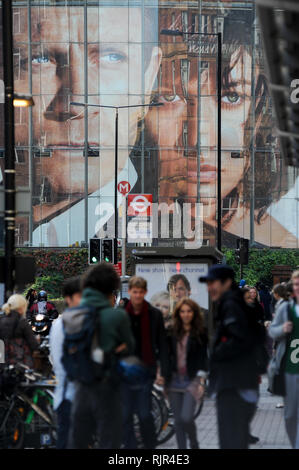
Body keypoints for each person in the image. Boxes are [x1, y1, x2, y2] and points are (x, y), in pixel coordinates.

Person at [11, 4, 161, 246]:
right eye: (40, 58)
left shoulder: (166, 217)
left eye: (111, 57)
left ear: (149, 76)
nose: (76, 104)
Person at [68, 263, 135, 449]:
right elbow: (130, 348)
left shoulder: (72, 315)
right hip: (108, 388)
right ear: (111, 289)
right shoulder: (117, 317)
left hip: (81, 388)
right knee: (109, 441)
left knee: (78, 442)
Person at [200, 265, 264, 449]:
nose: (209, 287)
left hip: (232, 382)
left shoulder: (231, 305)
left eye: (214, 283)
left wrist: (216, 355)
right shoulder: (238, 303)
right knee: (237, 438)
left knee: (231, 438)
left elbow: (239, 339)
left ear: (227, 283)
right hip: (241, 380)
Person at [123, 276, 169, 449]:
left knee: (144, 414)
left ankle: (150, 446)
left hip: (145, 370)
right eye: (135, 292)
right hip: (125, 371)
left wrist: (163, 372)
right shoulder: (122, 314)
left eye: (141, 292)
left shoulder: (154, 315)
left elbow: (162, 344)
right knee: (126, 414)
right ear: (130, 292)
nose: (137, 296)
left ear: (145, 293)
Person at [166, 298, 208, 449]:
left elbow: (204, 358)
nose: (186, 314)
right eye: (182, 311)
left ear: (194, 313)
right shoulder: (171, 332)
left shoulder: (200, 332)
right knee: (178, 421)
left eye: (189, 311)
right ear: (178, 313)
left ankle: (194, 440)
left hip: (192, 380)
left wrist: (202, 381)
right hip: (174, 380)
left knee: (186, 417)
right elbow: (166, 356)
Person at [49, 277, 82, 449]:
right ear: (69, 299)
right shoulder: (63, 324)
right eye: (80, 296)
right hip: (71, 395)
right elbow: (63, 360)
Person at [268, 270, 299, 449]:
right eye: (296, 284)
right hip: (290, 368)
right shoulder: (286, 308)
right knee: (290, 415)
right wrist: (282, 330)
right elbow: (272, 331)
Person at [0, 294, 39, 369]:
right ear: (22, 307)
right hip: (20, 365)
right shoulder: (22, 322)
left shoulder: (1, 320)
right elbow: (34, 346)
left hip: (3, 365)